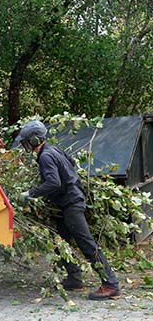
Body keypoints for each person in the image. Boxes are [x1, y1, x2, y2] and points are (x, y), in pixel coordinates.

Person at [18, 120, 120, 300]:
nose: (25, 144)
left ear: (34, 140)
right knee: (60, 241)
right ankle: (74, 278)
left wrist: (30, 193)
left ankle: (111, 285)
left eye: (26, 141)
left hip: (71, 204)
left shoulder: (45, 156)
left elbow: (53, 182)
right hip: (67, 202)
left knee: (87, 244)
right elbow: (71, 163)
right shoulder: (53, 149)